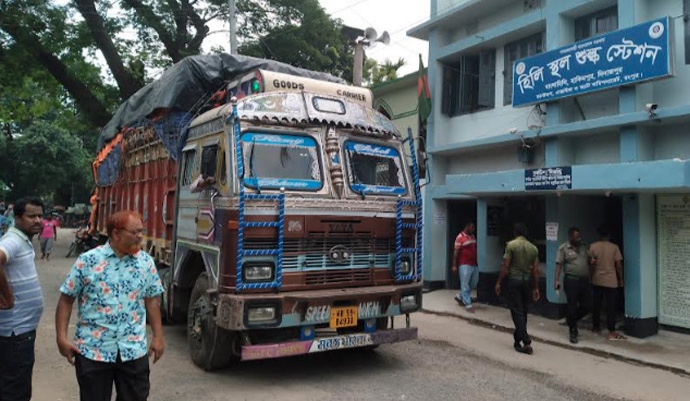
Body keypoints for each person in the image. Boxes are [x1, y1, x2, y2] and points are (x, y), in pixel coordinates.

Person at [55, 210, 165, 401]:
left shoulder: (145, 262)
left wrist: (158, 336)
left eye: (141, 231)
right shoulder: (88, 261)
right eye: (135, 232)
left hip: (133, 350)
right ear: (116, 233)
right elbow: (66, 300)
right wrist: (61, 338)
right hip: (93, 351)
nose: (140, 237)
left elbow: (151, 300)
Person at [0, 197, 45, 400]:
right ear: (17, 218)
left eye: (40, 216)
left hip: (19, 332)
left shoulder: (21, 240)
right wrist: (7, 295)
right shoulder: (13, 240)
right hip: (14, 333)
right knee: (15, 391)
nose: (37, 220)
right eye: (31, 216)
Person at [495, 223, 540, 355]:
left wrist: (498, 282)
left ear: (515, 233)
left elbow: (505, 265)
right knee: (524, 310)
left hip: (514, 280)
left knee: (517, 311)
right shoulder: (533, 248)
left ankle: (526, 341)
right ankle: (518, 338)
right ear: (525, 233)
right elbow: (536, 270)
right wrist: (536, 287)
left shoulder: (511, 245)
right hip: (527, 281)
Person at [588, 225, 626, 341]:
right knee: (611, 307)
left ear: (599, 235)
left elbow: (591, 263)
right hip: (611, 280)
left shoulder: (593, 246)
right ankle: (611, 331)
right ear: (609, 235)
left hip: (597, 279)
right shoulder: (614, 247)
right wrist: (620, 280)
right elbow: (618, 265)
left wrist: (591, 277)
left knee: (596, 305)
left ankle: (595, 327)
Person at [554, 226, 591, 344]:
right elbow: (559, 265)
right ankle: (573, 331)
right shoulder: (563, 249)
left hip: (584, 281)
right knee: (572, 305)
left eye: (579, 236)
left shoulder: (584, 247)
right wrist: (556, 280)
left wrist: (592, 261)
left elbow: (589, 260)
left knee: (587, 305)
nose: (579, 239)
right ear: (570, 237)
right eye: (576, 237)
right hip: (571, 281)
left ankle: (571, 319)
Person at [452, 222, 478, 312]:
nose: (473, 229)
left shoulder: (473, 236)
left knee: (474, 282)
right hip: (464, 264)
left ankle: (461, 296)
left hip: (474, 264)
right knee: (465, 284)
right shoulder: (460, 237)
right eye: (472, 227)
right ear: (467, 227)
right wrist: (454, 265)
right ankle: (468, 304)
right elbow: (456, 252)